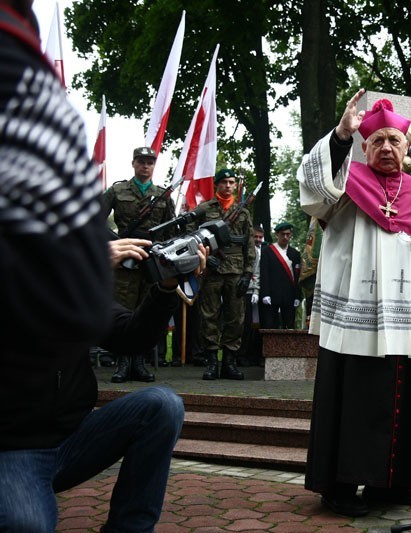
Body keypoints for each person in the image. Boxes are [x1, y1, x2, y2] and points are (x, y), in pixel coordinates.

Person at [0, 5, 204, 527]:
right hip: (13, 448)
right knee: (27, 525)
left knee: (162, 405)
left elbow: (129, 335)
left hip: (71, 436)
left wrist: (163, 286)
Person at [298, 90, 411, 517]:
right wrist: (340, 135)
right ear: (365, 146)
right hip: (354, 316)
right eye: (378, 142)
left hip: (407, 319)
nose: (387, 148)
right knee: (350, 397)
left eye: (395, 141)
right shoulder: (345, 182)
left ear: (408, 149)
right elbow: (312, 189)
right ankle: (338, 485)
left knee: (404, 395)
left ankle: (396, 484)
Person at [101, 145, 177, 381]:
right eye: (141, 161)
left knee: (148, 308)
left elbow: (170, 229)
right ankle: (123, 364)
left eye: (150, 162)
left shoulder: (163, 195)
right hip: (125, 261)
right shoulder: (117, 190)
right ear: (133, 163)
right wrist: (115, 242)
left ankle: (141, 364)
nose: (146, 165)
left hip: (151, 262)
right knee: (124, 308)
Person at [194, 168, 256, 381]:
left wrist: (248, 273)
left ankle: (229, 361)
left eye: (231, 182)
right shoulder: (204, 209)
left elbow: (249, 245)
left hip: (236, 271)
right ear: (217, 185)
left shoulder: (243, 211)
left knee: (235, 318)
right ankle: (212, 361)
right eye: (224, 182)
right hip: (211, 270)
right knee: (209, 316)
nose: (228, 186)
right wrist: (203, 258)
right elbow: (192, 239)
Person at [260, 222, 302, 329]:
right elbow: (264, 274)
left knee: (289, 325)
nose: (285, 237)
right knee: (270, 325)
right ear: (277, 235)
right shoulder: (267, 251)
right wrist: (265, 294)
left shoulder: (295, 254)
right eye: (282, 234)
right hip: (272, 295)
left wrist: (297, 296)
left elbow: (297, 276)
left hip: (289, 295)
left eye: (288, 234)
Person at [238, 225, 265, 367]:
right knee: (236, 325)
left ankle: (243, 355)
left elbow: (257, 274)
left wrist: (255, 291)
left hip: (249, 292)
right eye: (256, 237)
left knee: (248, 325)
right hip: (237, 291)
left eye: (261, 237)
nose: (258, 240)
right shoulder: (243, 249)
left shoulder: (259, 252)